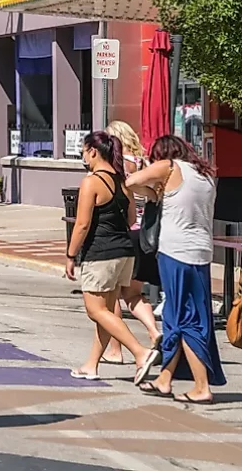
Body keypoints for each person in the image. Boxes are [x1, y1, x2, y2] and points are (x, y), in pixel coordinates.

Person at [127, 135, 226, 404]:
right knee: (179, 313)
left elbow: (131, 182)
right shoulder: (204, 175)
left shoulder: (168, 167)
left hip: (175, 252)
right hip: (201, 252)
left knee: (183, 317)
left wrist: (153, 192)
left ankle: (201, 387)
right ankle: (165, 379)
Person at [64, 131, 161, 383]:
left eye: (84, 151)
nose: (84, 156)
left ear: (93, 151)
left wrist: (70, 255)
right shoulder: (121, 180)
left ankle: (141, 352)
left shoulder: (91, 182)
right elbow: (131, 219)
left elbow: (82, 224)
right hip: (125, 252)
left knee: (95, 311)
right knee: (106, 311)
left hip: (101, 253)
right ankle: (91, 365)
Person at [99, 119, 161, 364]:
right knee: (134, 293)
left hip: (126, 233)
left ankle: (116, 350)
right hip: (145, 234)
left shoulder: (118, 165)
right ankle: (154, 331)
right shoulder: (144, 163)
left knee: (112, 295)